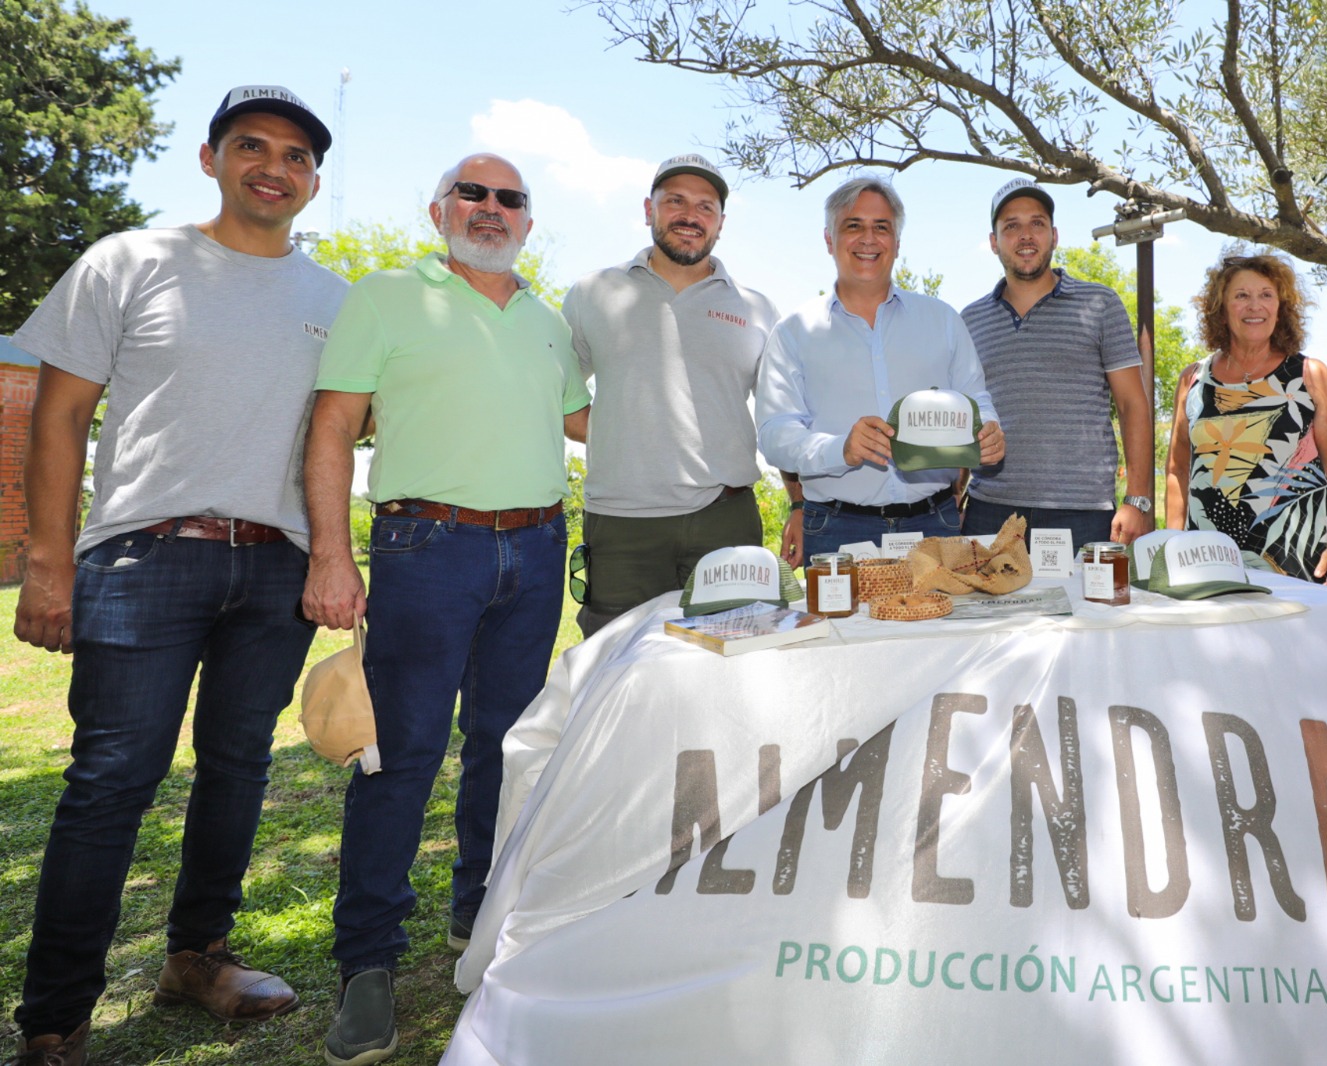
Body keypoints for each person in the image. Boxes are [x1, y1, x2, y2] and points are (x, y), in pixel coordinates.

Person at [7, 85, 346, 1066]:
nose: (273, 167)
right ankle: (54, 1018)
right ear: (211, 159)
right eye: (252, 146)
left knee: (237, 770)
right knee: (110, 782)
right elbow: (59, 417)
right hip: (140, 556)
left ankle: (197, 956)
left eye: (294, 156)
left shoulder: (334, 300)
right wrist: (46, 565)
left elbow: (342, 435)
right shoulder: (130, 260)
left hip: (273, 568)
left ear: (313, 182)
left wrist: (334, 554)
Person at [300, 153, 591, 1065]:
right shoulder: (384, 296)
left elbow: (595, 422)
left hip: (539, 549)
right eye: (474, 192)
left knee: (507, 748)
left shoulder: (550, 323)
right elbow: (335, 428)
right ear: (439, 209)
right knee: (403, 753)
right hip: (426, 549)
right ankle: (367, 964)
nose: (492, 209)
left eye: (511, 199)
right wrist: (332, 554)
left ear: (530, 223)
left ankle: (482, 915)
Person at [562, 153, 790, 636]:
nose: (690, 215)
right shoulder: (592, 294)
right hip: (623, 522)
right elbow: (557, 397)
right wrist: (622, 436)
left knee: (734, 659)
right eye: (676, 202)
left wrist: (802, 503)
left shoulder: (756, 309)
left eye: (705, 206)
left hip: (726, 521)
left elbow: (778, 415)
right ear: (649, 209)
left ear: (721, 223)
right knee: (616, 667)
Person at [755, 176, 1004, 557]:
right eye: (853, 225)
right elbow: (775, 434)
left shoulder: (943, 321)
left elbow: (976, 399)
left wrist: (988, 429)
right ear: (828, 239)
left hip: (934, 524)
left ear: (897, 242)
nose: (868, 239)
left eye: (881, 227)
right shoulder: (793, 332)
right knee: (840, 621)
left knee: (941, 619)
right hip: (836, 529)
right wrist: (841, 449)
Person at [960, 177, 1154, 547]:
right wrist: (956, 493)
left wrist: (1137, 500)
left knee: (1088, 607)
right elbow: (962, 416)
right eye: (1011, 226)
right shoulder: (969, 320)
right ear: (993, 242)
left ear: (1054, 235)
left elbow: (1132, 404)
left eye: (1037, 223)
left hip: (1082, 513)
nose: (1026, 235)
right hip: (989, 510)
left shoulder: (1100, 304)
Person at [1166, 252, 1327, 589]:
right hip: (1209, 564)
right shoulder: (1193, 380)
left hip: (1298, 562)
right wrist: (1171, 540)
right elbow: (1177, 470)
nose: (1255, 306)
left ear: (1280, 307)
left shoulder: (1309, 375)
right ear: (1221, 309)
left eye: (1266, 295)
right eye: (1241, 296)